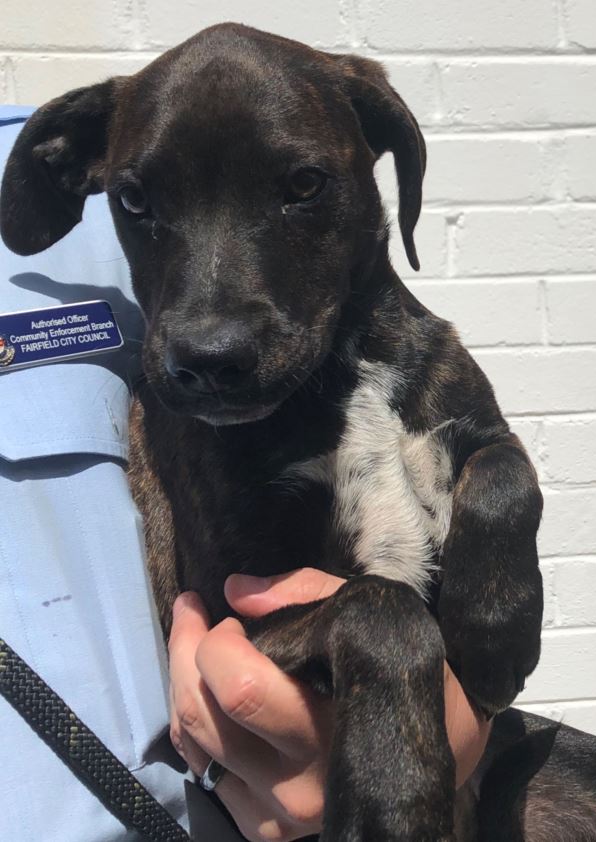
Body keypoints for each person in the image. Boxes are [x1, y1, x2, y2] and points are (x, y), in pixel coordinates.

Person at [0, 106, 489, 842]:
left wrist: (458, 723)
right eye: (141, 205)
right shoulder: (119, 172)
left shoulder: (153, 146)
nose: (209, 333)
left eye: (300, 187)